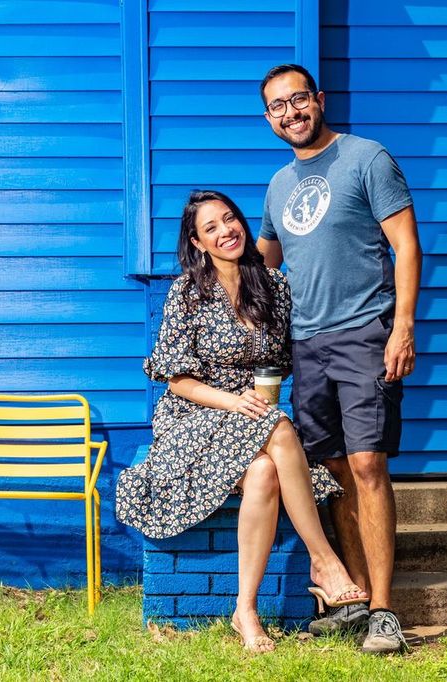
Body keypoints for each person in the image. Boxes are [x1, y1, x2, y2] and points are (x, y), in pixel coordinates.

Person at [115, 189, 368, 654]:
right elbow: (177, 380)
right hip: (195, 416)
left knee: (266, 469)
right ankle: (324, 562)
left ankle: (244, 611)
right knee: (279, 427)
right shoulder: (187, 293)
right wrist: (233, 402)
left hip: (253, 412)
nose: (225, 231)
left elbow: (293, 355)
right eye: (210, 227)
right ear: (197, 242)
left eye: (229, 219)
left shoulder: (274, 286)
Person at [256, 64, 422, 655]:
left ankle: (383, 611)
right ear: (269, 119)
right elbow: (265, 264)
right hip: (306, 345)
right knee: (334, 474)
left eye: (298, 100)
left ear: (319, 101)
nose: (290, 113)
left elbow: (405, 244)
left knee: (369, 465)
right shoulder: (277, 186)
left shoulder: (366, 158)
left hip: (364, 332)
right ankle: (352, 603)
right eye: (278, 106)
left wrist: (401, 327)